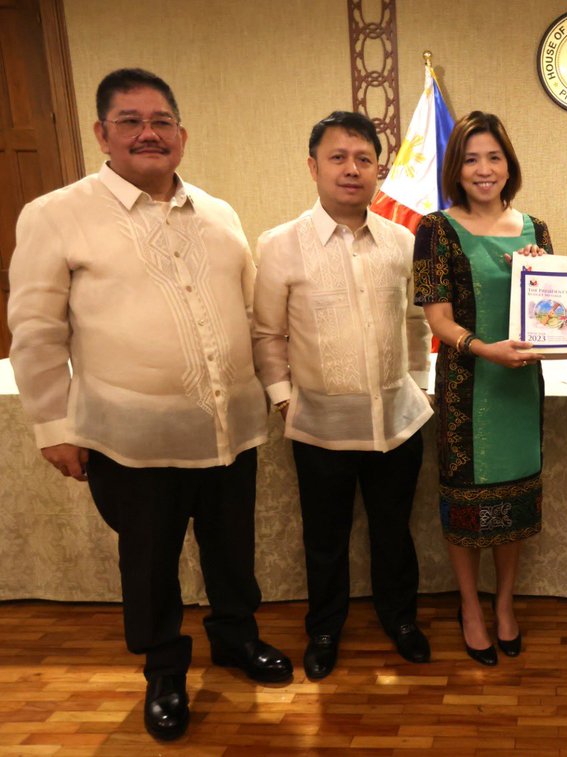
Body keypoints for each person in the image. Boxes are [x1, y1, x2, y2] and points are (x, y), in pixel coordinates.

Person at [6, 68, 292, 741]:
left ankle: (235, 635)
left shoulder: (219, 214)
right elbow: (37, 331)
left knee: (230, 550)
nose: (148, 133)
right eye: (130, 121)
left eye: (161, 121)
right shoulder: (54, 213)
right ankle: (164, 669)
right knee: (150, 560)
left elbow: (251, 317)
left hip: (229, 429)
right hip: (129, 439)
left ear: (182, 136)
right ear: (102, 134)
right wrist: (52, 424)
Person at [252, 112, 433, 680]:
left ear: (379, 169)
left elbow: (416, 323)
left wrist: (419, 385)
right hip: (320, 425)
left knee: (393, 531)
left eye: (363, 159)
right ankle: (325, 628)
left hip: (397, 421)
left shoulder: (403, 240)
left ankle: (400, 618)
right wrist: (284, 398)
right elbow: (267, 333)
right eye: (337, 158)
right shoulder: (280, 245)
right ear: (313, 166)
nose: (351, 170)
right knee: (325, 538)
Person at [412, 111, 551, 666]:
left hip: (521, 387)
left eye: (493, 157)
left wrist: (543, 280)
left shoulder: (535, 229)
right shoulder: (434, 229)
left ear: (508, 164)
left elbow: (550, 313)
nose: (484, 169)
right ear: (456, 167)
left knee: (514, 498)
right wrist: (485, 348)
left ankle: (506, 604)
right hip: (466, 387)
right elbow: (438, 321)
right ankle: (471, 606)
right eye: (471, 158)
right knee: (466, 501)